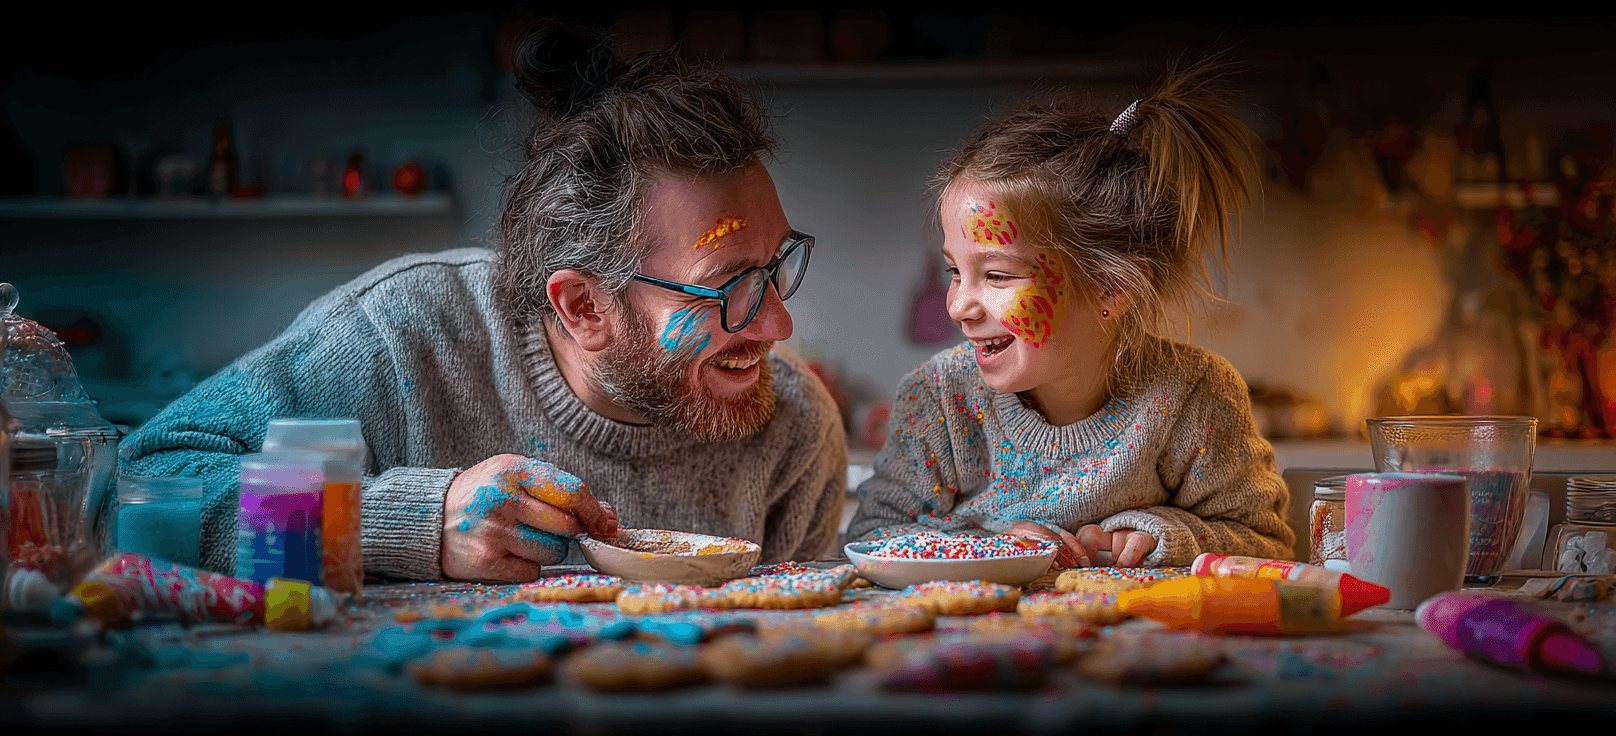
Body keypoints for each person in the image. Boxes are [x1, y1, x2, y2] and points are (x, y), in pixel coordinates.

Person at [118, 23, 847, 582]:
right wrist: (405, 522)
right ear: (584, 307)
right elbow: (134, 489)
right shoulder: (400, 335)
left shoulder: (794, 427)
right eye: (728, 286)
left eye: (775, 266)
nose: (778, 323)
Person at [845, 58, 1294, 568]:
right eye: (955, 271)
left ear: (1112, 286)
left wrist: (1165, 536)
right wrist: (988, 543)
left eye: (997, 275)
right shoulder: (941, 399)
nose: (958, 306)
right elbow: (870, 539)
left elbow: (1269, 547)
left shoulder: (1195, 398)